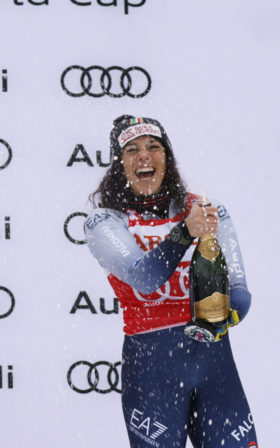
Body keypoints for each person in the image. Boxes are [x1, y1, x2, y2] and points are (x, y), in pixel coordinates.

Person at [84, 116, 258, 447]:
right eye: (131, 150)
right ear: (119, 165)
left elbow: (240, 291)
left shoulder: (207, 209)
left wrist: (228, 313)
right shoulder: (104, 221)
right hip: (152, 372)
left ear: (168, 158)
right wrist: (185, 232)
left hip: (215, 366)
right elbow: (145, 277)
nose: (144, 156)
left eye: (154, 146)